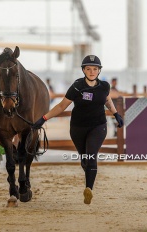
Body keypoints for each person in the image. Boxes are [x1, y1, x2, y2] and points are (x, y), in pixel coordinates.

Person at [32, 55, 124, 205]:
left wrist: (115, 114)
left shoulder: (104, 86)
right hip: (78, 128)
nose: (92, 71)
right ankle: (88, 172)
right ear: (83, 70)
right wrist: (44, 118)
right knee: (85, 159)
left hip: (98, 126)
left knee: (91, 156)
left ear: (99, 71)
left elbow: (107, 99)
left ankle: (89, 189)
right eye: (88, 69)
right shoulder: (77, 86)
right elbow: (62, 106)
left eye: (95, 69)